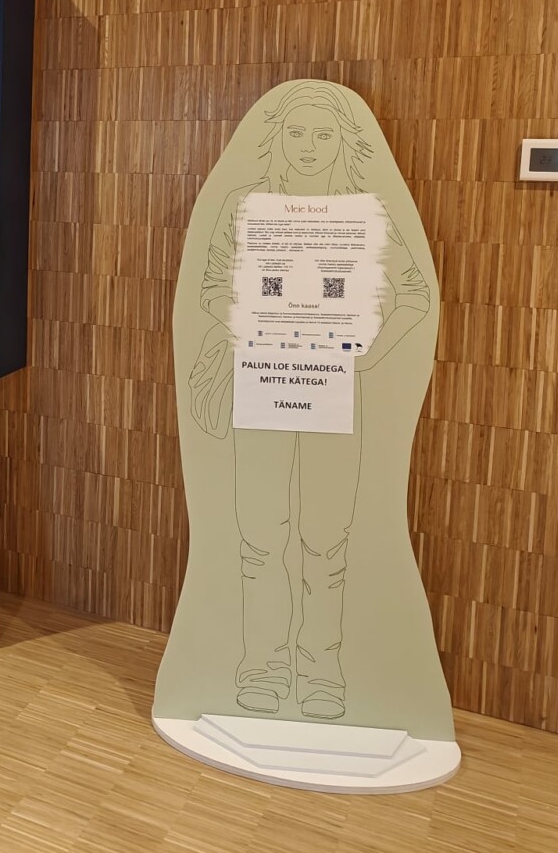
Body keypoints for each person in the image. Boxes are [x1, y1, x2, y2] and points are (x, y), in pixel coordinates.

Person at [190, 81, 430, 720]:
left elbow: (414, 293)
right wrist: (250, 324)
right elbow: (213, 284)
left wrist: (366, 353)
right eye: (296, 133)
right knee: (259, 539)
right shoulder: (245, 206)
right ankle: (263, 668)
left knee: (325, 542)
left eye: (323, 135)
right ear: (278, 139)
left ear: (342, 142)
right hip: (261, 382)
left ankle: (321, 673)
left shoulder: (365, 211)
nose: (308, 146)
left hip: (332, 392)